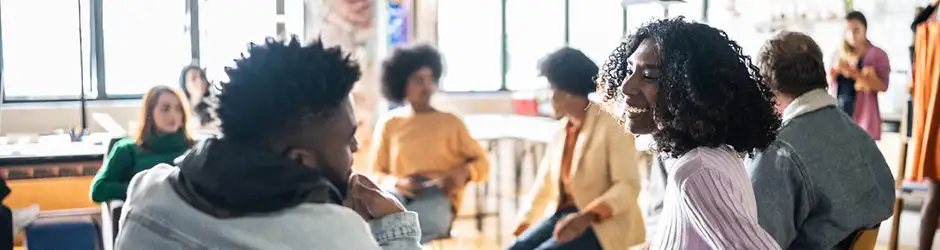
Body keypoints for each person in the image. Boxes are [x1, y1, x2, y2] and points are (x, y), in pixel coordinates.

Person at [113, 36, 421, 250]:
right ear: (301, 161)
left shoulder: (147, 191)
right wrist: (395, 229)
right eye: (348, 138)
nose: (355, 147)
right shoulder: (335, 234)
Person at [598, 17, 782, 249]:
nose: (626, 86)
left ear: (690, 91)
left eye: (649, 76)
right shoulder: (707, 157)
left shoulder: (695, 172)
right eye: (629, 70)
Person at [748, 31, 895, 249]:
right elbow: (886, 196)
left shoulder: (778, 152)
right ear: (822, 75)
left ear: (768, 89)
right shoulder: (858, 134)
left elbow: (753, 241)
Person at [509, 47, 645, 250]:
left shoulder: (611, 127)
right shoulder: (561, 132)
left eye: (552, 88)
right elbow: (543, 185)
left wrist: (586, 216)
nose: (549, 95)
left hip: (601, 223)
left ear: (568, 92)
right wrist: (525, 226)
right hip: (564, 216)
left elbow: (627, 186)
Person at [369, 44, 490, 243]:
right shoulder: (389, 124)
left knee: (405, 231)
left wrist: (462, 173)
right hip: (398, 193)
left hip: (438, 196)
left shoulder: (451, 122)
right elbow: (375, 174)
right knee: (378, 221)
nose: (427, 87)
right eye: (418, 80)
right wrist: (398, 183)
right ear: (401, 84)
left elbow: (483, 164)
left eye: (431, 79)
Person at [89, 85, 194, 202]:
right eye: (165, 109)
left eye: (178, 109)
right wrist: (143, 189)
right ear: (150, 112)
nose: (173, 114)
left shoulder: (196, 148)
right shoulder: (128, 149)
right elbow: (98, 190)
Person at [828, 11, 891, 140]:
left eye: (856, 29)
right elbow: (830, 85)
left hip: (865, 117)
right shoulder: (838, 54)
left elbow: (883, 86)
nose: (852, 34)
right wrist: (833, 75)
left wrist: (854, 73)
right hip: (840, 115)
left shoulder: (878, 55)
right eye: (848, 30)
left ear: (865, 29)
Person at [179, 65, 218, 129]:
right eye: (193, 78)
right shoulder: (179, 108)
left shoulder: (214, 108)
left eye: (202, 77)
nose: (200, 81)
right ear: (185, 84)